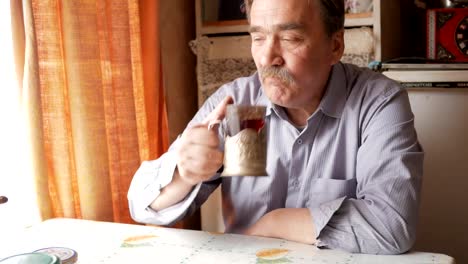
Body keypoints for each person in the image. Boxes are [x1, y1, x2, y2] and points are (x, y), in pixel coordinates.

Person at [127, 0, 423, 255]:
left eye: (291, 37)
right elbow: (140, 206)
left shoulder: (376, 103)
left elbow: (391, 224)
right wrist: (185, 174)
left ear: (335, 46)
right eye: (258, 38)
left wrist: (275, 222)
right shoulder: (240, 107)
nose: (268, 58)